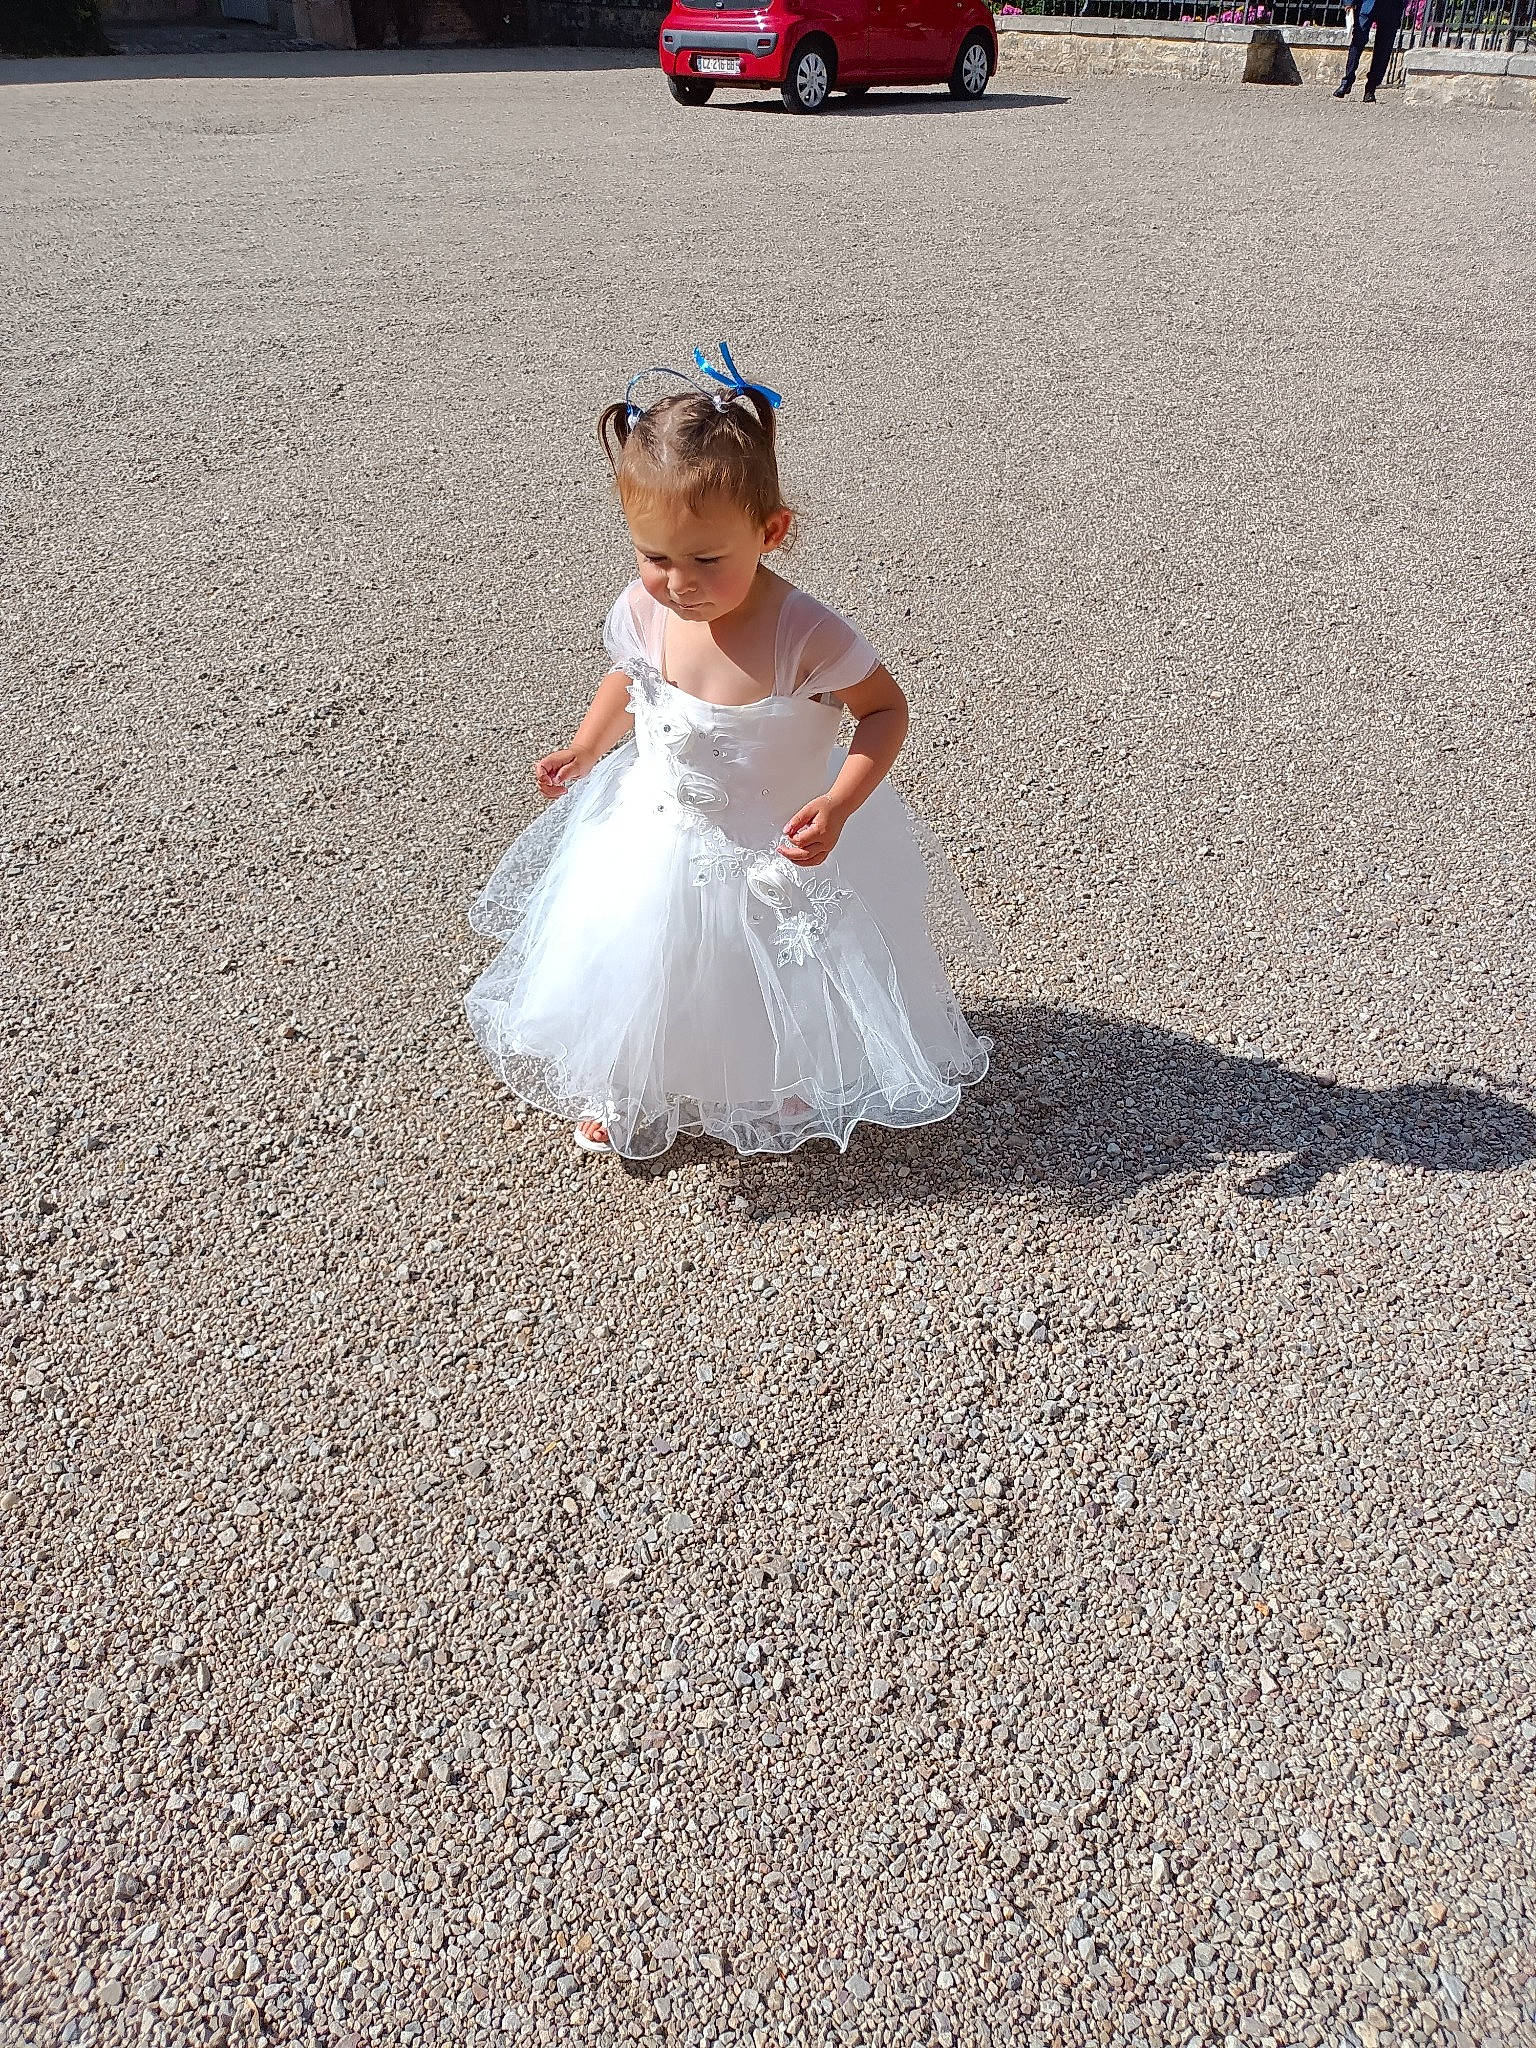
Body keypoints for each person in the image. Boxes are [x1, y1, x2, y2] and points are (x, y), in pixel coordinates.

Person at [464, 344, 990, 1160]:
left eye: (707, 560)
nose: (679, 583)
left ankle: (773, 1073)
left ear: (770, 532)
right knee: (641, 954)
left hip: (769, 841)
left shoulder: (805, 633)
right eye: (655, 557)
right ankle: (629, 1076)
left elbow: (885, 710)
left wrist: (839, 802)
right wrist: (586, 745)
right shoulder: (647, 610)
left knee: (753, 970)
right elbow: (631, 678)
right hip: (653, 826)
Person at [1333, 0, 1405, 101]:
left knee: (1384, 48)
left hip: (1391, 6)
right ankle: (1347, 81)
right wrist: (1349, 2)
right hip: (1366, 4)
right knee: (1358, 40)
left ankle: (1371, 89)